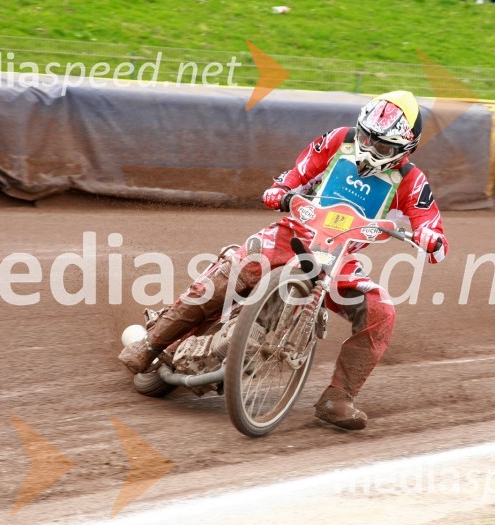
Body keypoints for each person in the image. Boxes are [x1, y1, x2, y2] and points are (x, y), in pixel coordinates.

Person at [119, 91, 449, 431]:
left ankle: (338, 398)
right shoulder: (338, 140)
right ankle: (151, 343)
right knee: (238, 265)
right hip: (290, 233)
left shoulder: (412, 181)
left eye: (381, 146)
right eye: (366, 136)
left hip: (339, 259)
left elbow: (436, 239)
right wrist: (281, 189)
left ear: (404, 149)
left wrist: (429, 238)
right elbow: (298, 173)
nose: (368, 147)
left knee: (381, 311)